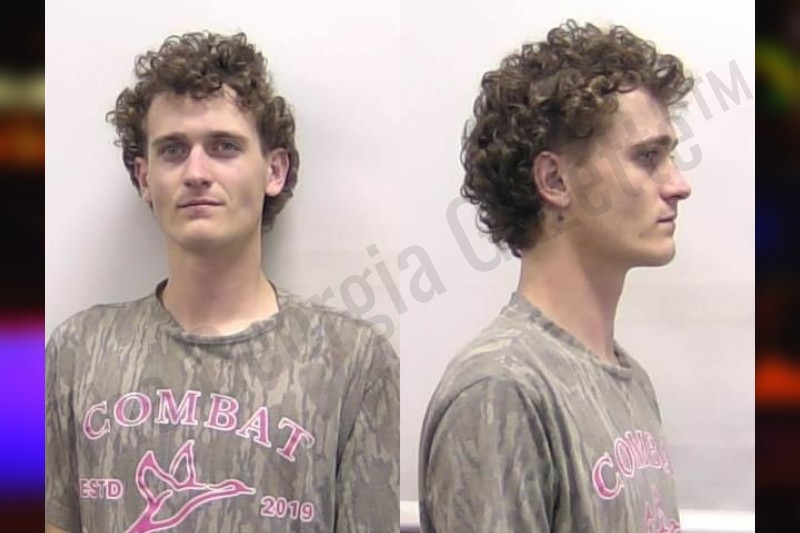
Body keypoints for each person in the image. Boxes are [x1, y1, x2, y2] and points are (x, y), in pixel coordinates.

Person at [45, 31, 399, 533]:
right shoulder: (75, 352)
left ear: (274, 170)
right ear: (145, 178)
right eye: (173, 150)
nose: (196, 172)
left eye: (224, 147)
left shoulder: (355, 362)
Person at [419, 20, 693, 532]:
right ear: (555, 180)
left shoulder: (629, 380)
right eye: (647, 158)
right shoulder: (501, 390)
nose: (679, 184)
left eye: (669, 157)